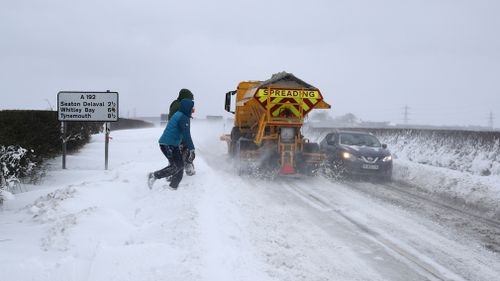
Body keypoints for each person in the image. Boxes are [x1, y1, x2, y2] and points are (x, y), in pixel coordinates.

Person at [148, 99, 195, 190]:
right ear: (187, 108)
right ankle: (154, 176)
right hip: (168, 144)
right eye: (192, 108)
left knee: (180, 165)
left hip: (172, 144)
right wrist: (192, 149)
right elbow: (186, 135)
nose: (193, 110)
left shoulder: (179, 114)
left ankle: (173, 187)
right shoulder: (183, 117)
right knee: (175, 166)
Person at [168, 88, 196, 176]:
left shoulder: (177, 104)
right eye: (190, 99)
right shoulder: (178, 105)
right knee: (182, 152)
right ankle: (183, 170)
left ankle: (183, 169)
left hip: (177, 134)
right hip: (178, 134)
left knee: (181, 152)